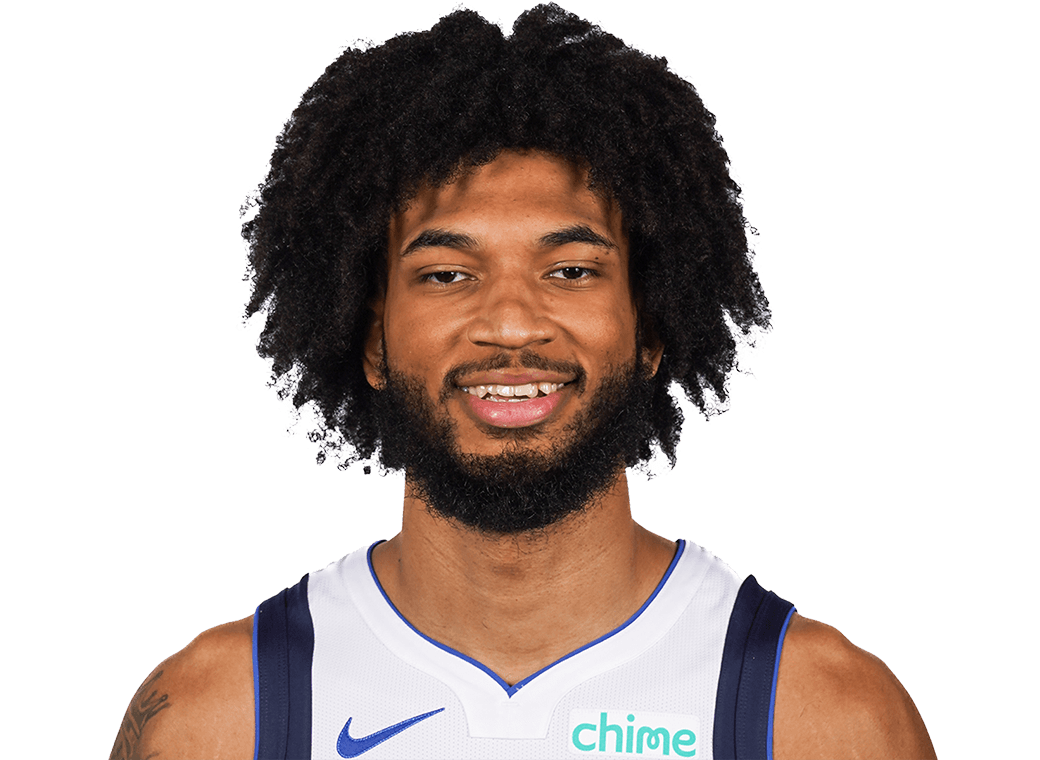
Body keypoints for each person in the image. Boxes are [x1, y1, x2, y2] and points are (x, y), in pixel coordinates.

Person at [110, 5, 937, 759]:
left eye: (571, 270)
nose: (511, 326)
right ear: (370, 338)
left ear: (651, 328)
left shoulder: (820, 716)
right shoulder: (221, 718)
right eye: (446, 274)